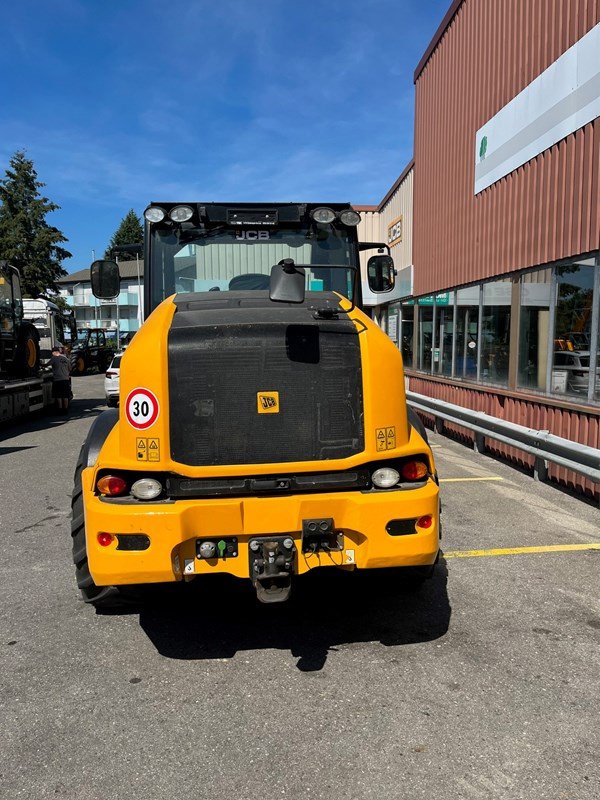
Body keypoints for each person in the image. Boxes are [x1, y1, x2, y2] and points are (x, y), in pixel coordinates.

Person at [50, 345, 71, 413]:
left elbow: (46, 365)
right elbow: (70, 369)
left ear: (53, 352)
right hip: (65, 380)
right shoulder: (66, 359)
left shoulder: (54, 358)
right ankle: (65, 410)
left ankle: (60, 409)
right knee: (65, 396)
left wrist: (41, 365)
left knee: (58, 396)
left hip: (57, 380)